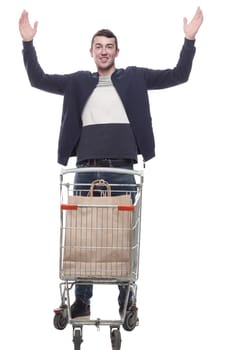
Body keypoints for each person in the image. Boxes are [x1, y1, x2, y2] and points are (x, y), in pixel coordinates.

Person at [19, 7, 203, 318]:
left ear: (117, 51)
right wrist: (27, 44)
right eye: (98, 47)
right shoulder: (78, 82)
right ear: (91, 52)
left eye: (109, 46)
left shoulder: (134, 77)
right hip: (86, 167)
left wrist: (189, 39)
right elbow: (38, 79)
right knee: (85, 233)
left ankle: (125, 298)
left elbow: (178, 75)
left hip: (122, 167)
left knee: (122, 234)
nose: (104, 52)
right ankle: (82, 301)